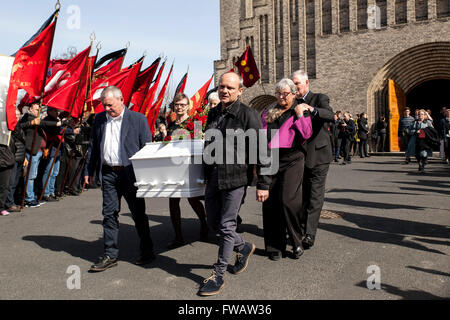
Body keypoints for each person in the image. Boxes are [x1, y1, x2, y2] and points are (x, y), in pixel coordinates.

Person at [198, 72, 270, 296]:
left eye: (230, 87)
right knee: (213, 223)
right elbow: (208, 146)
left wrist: (263, 184)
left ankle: (218, 274)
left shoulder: (248, 115)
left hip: (236, 178)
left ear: (240, 91)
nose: (225, 91)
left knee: (227, 225)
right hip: (214, 178)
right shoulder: (213, 113)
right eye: (221, 87)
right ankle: (243, 246)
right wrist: (204, 174)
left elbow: (262, 151)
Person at [84, 86, 155, 272]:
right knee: (109, 214)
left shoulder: (138, 119)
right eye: (104, 106)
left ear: (121, 99)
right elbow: (93, 147)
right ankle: (110, 254)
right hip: (108, 174)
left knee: (138, 214)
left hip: (131, 174)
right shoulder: (99, 119)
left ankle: (147, 250)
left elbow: (147, 148)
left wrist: (147, 175)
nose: (107, 109)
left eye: (110, 105)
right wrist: (88, 170)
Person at [260, 78, 312, 261]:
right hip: (272, 158)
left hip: (293, 159)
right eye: (278, 93)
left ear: (293, 93)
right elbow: (262, 138)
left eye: (285, 93)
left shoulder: (299, 109)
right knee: (271, 201)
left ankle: (297, 240)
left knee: (288, 200)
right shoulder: (268, 112)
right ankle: (274, 246)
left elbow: (306, 134)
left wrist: (299, 115)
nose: (281, 96)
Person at [291, 70, 334, 250]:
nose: (295, 88)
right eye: (292, 85)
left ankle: (309, 233)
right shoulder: (292, 103)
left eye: (297, 84)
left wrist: (312, 109)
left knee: (314, 195)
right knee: (301, 194)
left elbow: (330, 115)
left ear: (306, 83)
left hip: (318, 155)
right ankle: (298, 228)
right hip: (298, 156)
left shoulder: (319, 98)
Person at [165, 93, 209, 249]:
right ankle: (178, 236)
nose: (179, 107)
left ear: (188, 106)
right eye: (177, 104)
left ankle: (204, 223)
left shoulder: (195, 123)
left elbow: (199, 146)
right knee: (173, 201)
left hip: (189, 165)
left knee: (193, 199)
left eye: (183, 104)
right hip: (174, 166)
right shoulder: (171, 124)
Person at [20, 102, 62, 208]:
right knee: (30, 176)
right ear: (30, 108)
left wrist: (57, 124)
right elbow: (20, 126)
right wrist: (31, 123)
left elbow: (44, 124)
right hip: (31, 150)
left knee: (34, 175)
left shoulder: (37, 119)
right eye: (35, 109)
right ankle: (28, 199)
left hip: (39, 150)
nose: (37, 111)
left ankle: (32, 195)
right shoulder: (27, 117)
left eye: (39, 109)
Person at [5, 109, 26, 213]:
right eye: (15, 115)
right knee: (11, 182)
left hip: (20, 157)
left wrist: (25, 157)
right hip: (13, 157)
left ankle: (12, 201)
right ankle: (9, 203)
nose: (17, 117)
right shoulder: (10, 126)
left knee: (15, 181)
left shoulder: (19, 126)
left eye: (18, 115)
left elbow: (23, 143)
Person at [41, 107, 62, 202]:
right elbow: (50, 130)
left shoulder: (57, 120)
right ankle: (46, 193)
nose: (57, 112)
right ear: (49, 111)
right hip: (50, 147)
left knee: (55, 172)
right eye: (55, 111)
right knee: (48, 171)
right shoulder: (47, 120)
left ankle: (52, 191)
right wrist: (59, 125)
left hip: (57, 148)